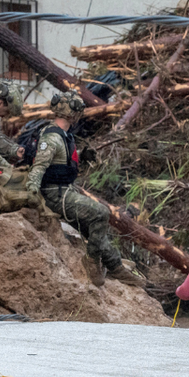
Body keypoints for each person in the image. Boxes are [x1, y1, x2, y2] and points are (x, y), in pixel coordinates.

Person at [25, 91, 144, 288]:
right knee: (100, 213)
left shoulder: (62, 135)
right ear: (71, 112)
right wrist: (33, 194)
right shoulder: (52, 138)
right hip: (56, 194)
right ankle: (91, 261)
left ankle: (115, 266)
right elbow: (39, 167)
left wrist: (81, 155)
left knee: (94, 229)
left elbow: (59, 159)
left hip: (66, 190)